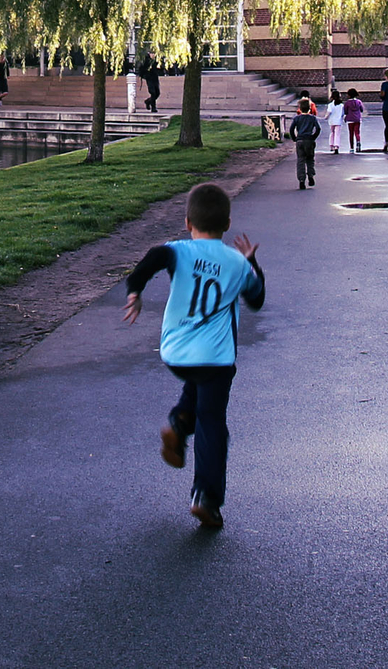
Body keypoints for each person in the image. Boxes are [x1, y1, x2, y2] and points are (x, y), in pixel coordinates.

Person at [122, 182, 266, 528]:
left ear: (188, 223)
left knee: (196, 388)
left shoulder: (178, 251)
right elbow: (257, 299)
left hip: (175, 351)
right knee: (212, 422)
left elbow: (151, 258)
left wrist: (134, 291)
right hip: (215, 358)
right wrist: (252, 263)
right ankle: (206, 497)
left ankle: (179, 422)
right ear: (228, 224)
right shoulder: (236, 263)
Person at [289, 96, 322, 188]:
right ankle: (310, 175)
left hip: (300, 140)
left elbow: (291, 129)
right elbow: (318, 129)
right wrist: (313, 137)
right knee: (310, 159)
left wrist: (295, 138)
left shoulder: (297, 118)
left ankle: (301, 180)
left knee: (300, 160)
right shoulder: (312, 118)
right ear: (310, 108)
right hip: (309, 140)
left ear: (299, 108)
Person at [343, 88, 364, 152]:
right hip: (357, 118)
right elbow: (362, 109)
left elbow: (345, 111)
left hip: (350, 119)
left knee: (351, 133)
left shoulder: (347, 103)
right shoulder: (359, 102)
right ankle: (358, 141)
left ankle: (351, 148)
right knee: (357, 132)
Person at [325, 87, 345, 154]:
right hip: (338, 121)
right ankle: (336, 146)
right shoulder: (341, 105)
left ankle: (331, 145)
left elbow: (329, 112)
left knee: (332, 133)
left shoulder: (330, 105)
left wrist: (326, 117)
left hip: (331, 121)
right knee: (337, 134)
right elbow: (343, 113)